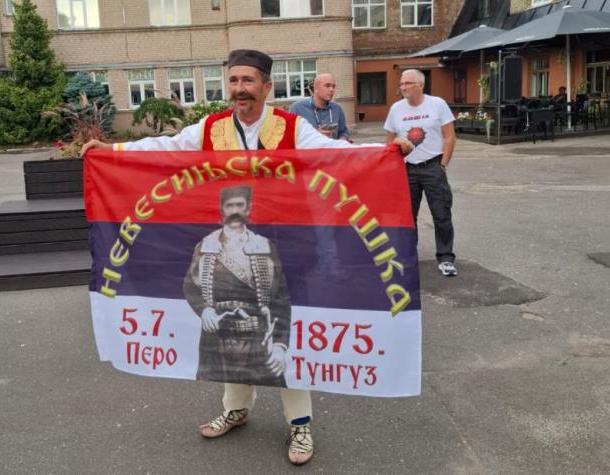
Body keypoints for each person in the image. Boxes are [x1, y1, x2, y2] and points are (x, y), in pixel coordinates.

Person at [82, 48, 413, 466]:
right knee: (228, 335)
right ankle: (236, 408)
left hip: (288, 247)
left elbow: (337, 153)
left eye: (248, 81)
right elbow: (165, 147)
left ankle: (300, 424)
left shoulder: (292, 127)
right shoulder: (212, 127)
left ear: (266, 86)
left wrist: (386, 152)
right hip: (227, 246)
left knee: (285, 338)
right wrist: (112, 150)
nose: (239, 89)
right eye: (234, 81)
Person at [183, 185, 291, 388]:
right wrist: (204, 309)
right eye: (229, 205)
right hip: (217, 334)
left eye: (239, 205)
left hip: (258, 334)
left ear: (248, 208)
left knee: (281, 382)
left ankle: (296, 413)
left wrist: (279, 345)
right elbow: (190, 285)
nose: (234, 211)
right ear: (222, 209)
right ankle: (235, 407)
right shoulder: (205, 246)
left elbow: (280, 299)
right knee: (231, 388)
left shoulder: (264, 246)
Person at [385, 69, 458, 277]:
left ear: (421, 84)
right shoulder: (396, 109)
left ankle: (446, 258)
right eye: (401, 84)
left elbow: (450, 136)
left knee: (441, 214)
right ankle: (409, 256)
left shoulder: (437, 104)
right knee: (408, 216)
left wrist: (443, 164)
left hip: (433, 166)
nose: (403, 87)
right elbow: (389, 142)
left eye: (408, 83)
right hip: (407, 169)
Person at [289, 73, 350, 141]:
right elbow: (289, 137)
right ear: (316, 88)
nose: (332, 89)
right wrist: (315, 136)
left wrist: (341, 141)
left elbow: (344, 132)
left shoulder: (337, 108)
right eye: (327, 86)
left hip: (332, 147)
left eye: (333, 86)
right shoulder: (297, 108)